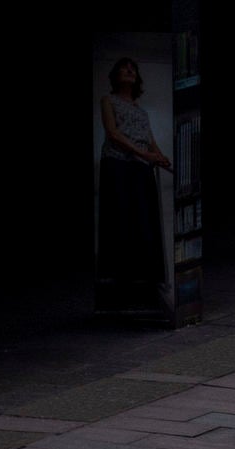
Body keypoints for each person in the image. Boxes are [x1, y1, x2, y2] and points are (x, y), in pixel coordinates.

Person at [94, 56, 173, 313]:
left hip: (141, 167)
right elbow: (113, 133)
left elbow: (149, 140)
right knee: (120, 218)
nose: (128, 72)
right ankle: (118, 280)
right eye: (123, 69)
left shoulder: (140, 110)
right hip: (118, 164)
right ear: (115, 75)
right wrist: (145, 155)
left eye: (132, 69)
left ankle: (145, 279)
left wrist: (159, 158)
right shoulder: (109, 100)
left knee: (144, 220)